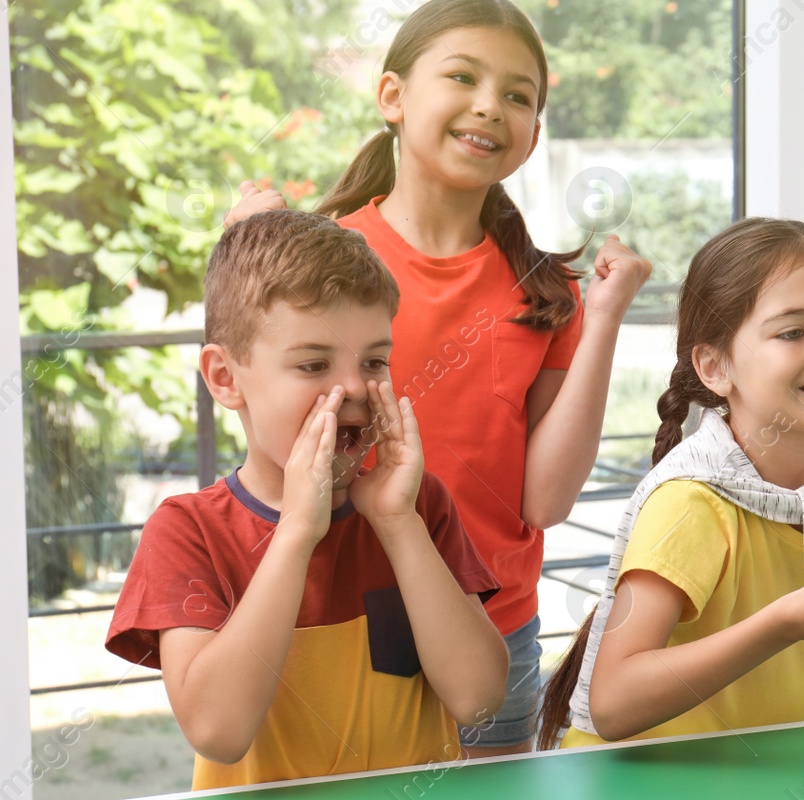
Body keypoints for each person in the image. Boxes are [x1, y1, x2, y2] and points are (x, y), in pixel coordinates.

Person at [225, 0, 652, 753]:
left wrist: (606, 315)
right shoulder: (320, 264)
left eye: (519, 95)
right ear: (392, 96)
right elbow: (269, 435)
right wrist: (246, 257)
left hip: (490, 628)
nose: (491, 104)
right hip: (339, 620)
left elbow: (545, 501)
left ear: (534, 135)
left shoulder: (549, 292)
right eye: (463, 77)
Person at [105, 210, 507, 789]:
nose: (351, 391)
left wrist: (398, 525)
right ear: (225, 378)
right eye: (314, 364)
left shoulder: (416, 507)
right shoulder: (187, 532)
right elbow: (218, 730)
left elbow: (478, 701)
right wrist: (296, 530)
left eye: (373, 361)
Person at [536, 217, 804, 749]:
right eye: (793, 331)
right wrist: (783, 623)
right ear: (714, 366)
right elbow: (609, 703)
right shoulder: (690, 501)